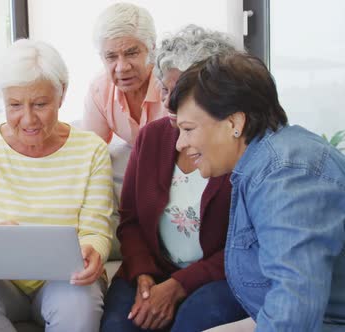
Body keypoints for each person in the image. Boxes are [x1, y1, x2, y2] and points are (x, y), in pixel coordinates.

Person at [0, 39, 114, 332]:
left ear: (61, 95)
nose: (27, 119)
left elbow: (96, 230)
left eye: (40, 104)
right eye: (14, 105)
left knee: (80, 301)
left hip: (65, 280)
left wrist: (93, 249)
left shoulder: (91, 150)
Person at [170, 52, 345, 331]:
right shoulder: (262, 163)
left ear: (235, 124)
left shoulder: (287, 174)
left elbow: (294, 311)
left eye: (188, 129)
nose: (180, 144)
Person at [101, 26, 246, 332]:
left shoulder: (236, 146)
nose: (167, 104)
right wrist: (143, 275)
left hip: (217, 278)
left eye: (179, 92)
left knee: (192, 321)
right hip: (152, 270)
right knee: (118, 326)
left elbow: (246, 246)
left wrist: (179, 286)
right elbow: (130, 220)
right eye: (164, 91)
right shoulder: (152, 137)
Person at [83, 2, 167, 145]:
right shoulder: (99, 89)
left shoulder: (173, 82)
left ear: (152, 48)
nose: (122, 68)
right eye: (111, 56)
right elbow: (91, 151)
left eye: (131, 53)